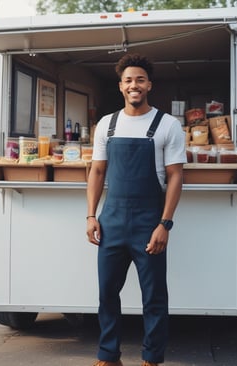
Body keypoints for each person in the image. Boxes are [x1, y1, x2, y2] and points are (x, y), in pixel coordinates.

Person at [86, 53, 187, 366]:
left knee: (154, 297)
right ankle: (108, 355)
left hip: (148, 221)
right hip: (111, 220)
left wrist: (164, 224)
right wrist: (91, 215)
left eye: (140, 79)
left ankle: (152, 358)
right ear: (120, 86)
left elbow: (175, 176)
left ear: (149, 85)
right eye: (128, 80)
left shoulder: (167, 125)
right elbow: (97, 171)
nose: (134, 85)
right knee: (106, 294)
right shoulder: (107, 124)